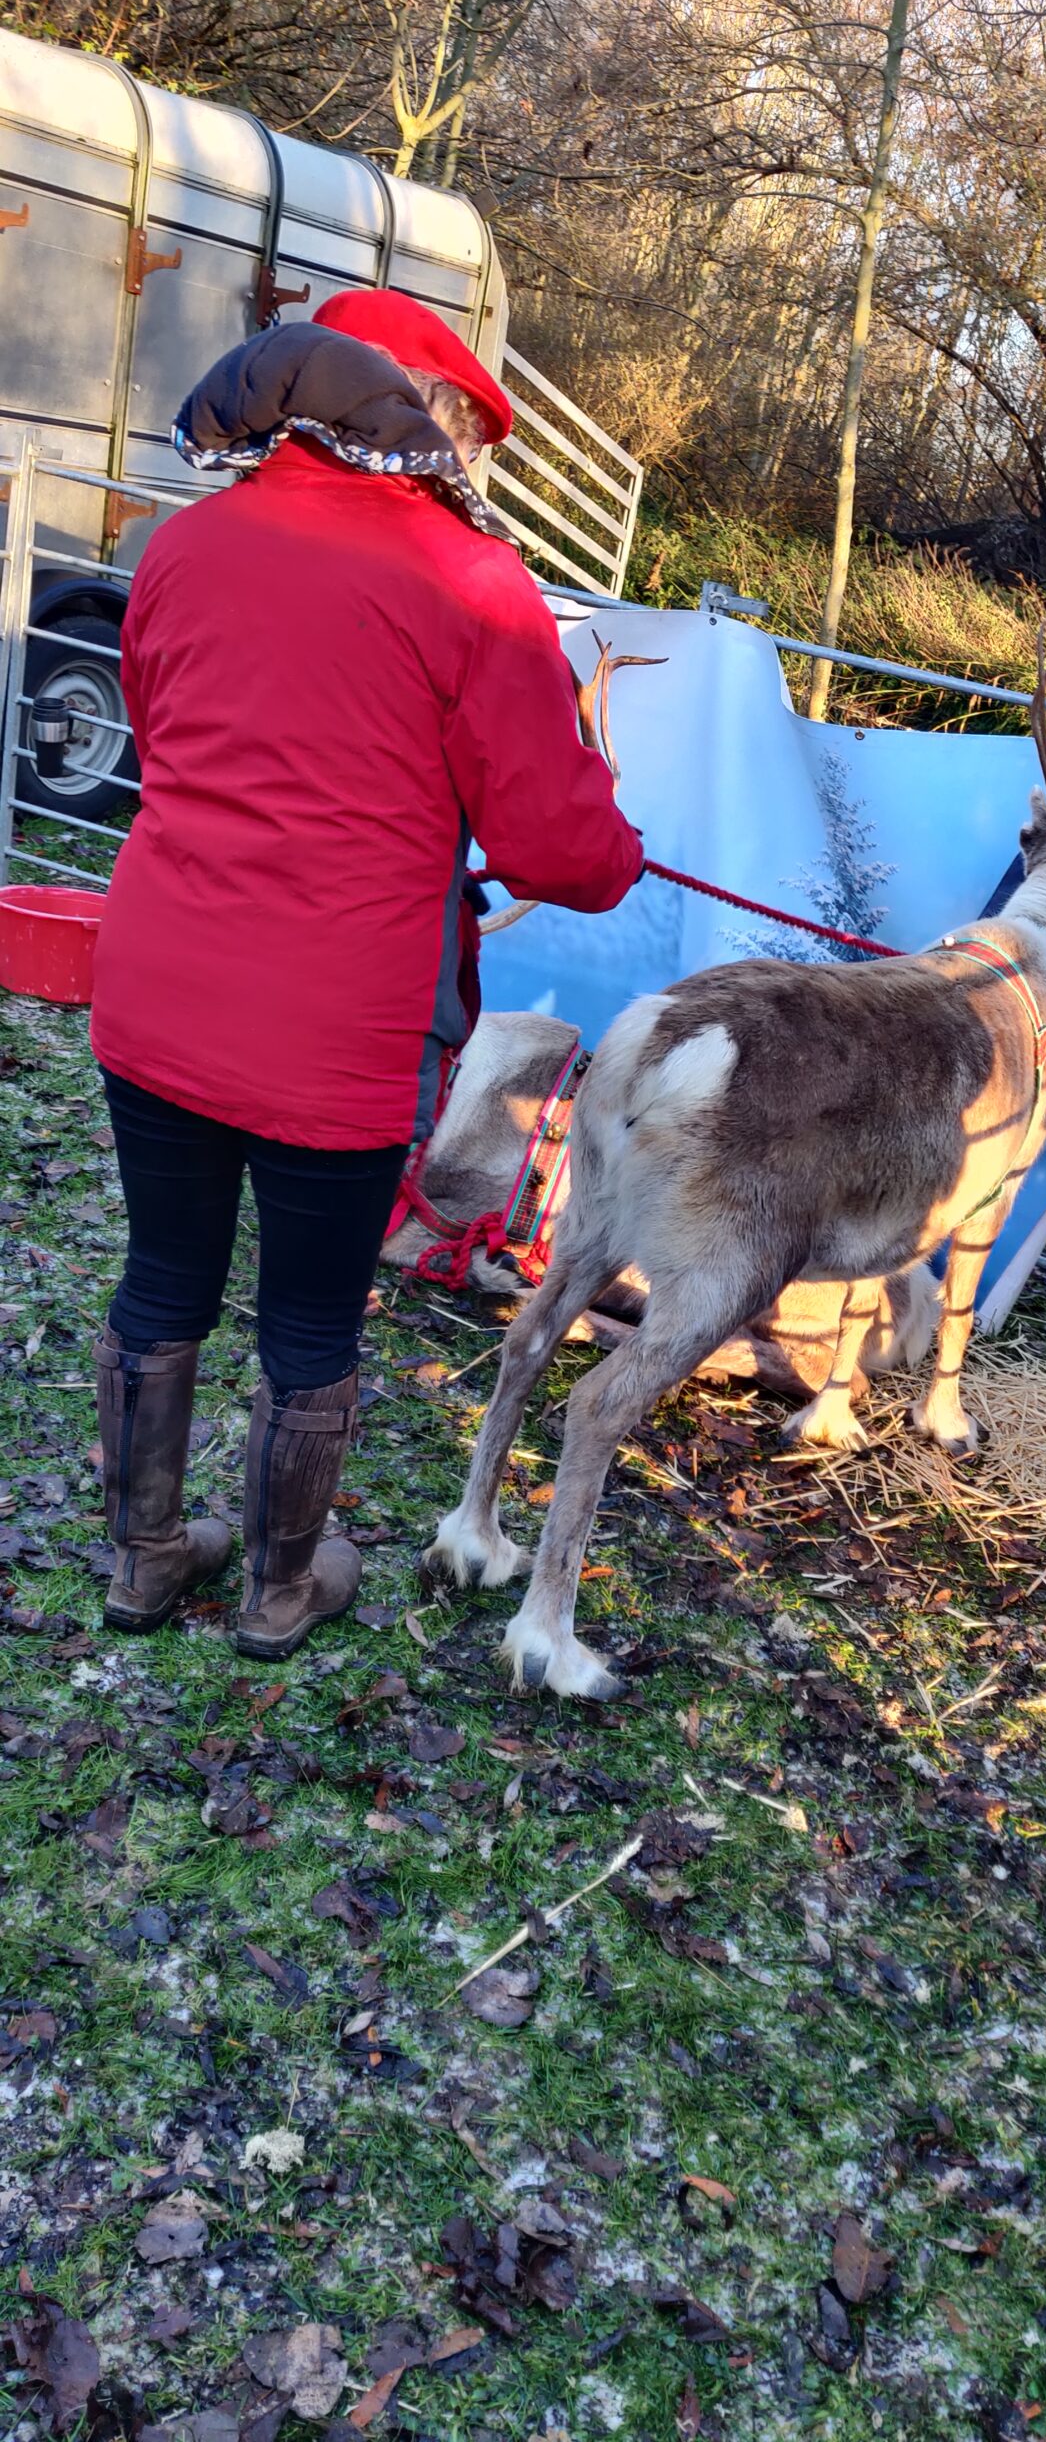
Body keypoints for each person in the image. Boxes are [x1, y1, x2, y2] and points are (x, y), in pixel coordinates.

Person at [89, 289, 643, 1659]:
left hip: (157, 980)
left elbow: (163, 738)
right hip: (330, 1025)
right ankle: (280, 1588)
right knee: (310, 1313)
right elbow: (564, 852)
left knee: (164, 1276)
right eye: (468, 424)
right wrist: (605, 819)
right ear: (423, 415)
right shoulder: (471, 584)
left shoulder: (183, 543)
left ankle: (145, 1559)